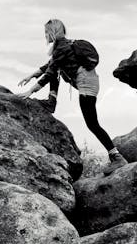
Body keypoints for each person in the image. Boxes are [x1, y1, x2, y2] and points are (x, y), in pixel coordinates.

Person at [18, 18, 128, 174]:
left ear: (52, 32)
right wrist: (31, 76)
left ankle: (117, 157)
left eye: (46, 33)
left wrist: (31, 91)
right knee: (57, 70)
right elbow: (50, 66)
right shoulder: (63, 45)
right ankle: (51, 101)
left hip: (87, 84)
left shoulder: (61, 48)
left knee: (92, 124)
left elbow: (49, 72)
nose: (45, 36)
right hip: (89, 80)